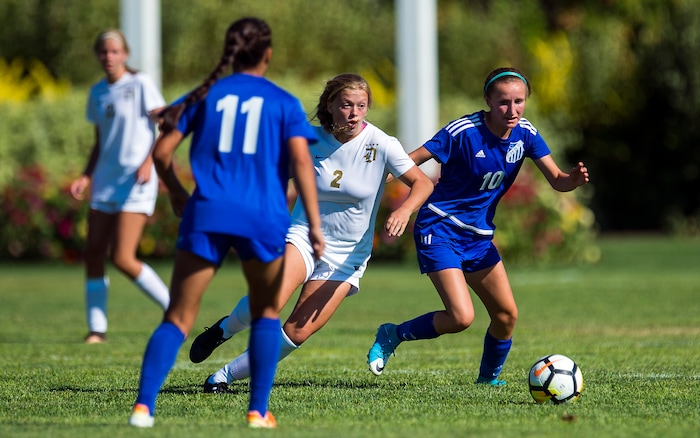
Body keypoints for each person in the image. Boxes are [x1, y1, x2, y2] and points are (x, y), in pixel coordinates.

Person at [127, 17, 324, 429]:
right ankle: (257, 411)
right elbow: (303, 163)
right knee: (267, 313)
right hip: (263, 217)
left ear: (230, 51)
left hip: (208, 212)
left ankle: (144, 407)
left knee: (178, 317)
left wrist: (178, 193)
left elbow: (162, 153)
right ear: (267, 54)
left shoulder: (204, 94)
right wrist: (316, 226)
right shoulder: (283, 101)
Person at [187, 73, 434, 391]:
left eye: (361, 106)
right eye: (346, 105)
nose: (354, 113)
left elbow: (422, 182)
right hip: (305, 236)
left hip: (349, 254)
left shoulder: (382, 144)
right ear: (330, 106)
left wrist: (403, 209)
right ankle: (224, 329)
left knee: (297, 331)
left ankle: (222, 377)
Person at [366, 67, 590, 385]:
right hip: (440, 227)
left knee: (506, 316)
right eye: (503, 102)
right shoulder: (463, 131)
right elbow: (410, 160)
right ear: (487, 100)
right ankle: (393, 334)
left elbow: (557, 180)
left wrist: (573, 180)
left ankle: (487, 381)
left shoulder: (526, 133)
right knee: (461, 317)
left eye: (519, 101)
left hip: (478, 237)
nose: (512, 110)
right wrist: (371, 186)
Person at [70, 29, 169, 344]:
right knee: (94, 252)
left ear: (125, 54)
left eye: (114, 52)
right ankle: (96, 329)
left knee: (123, 257)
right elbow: (100, 142)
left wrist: (148, 161)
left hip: (136, 181)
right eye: (103, 52)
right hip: (105, 182)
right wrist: (85, 176)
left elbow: (164, 124)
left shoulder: (140, 85)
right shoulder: (98, 92)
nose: (109, 57)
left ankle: (176, 308)